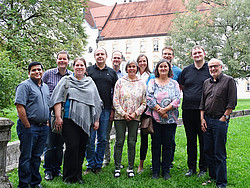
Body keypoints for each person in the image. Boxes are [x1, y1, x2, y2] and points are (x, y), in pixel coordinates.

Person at [50, 58, 103, 184]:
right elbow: (57, 99)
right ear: (73, 67)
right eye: (77, 65)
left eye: (82, 65)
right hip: (69, 119)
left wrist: (96, 120)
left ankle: (78, 176)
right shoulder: (66, 80)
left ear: (85, 68)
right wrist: (58, 117)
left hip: (86, 120)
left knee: (80, 148)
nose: (79, 67)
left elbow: (97, 102)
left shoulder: (90, 82)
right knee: (72, 147)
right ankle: (68, 177)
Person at [200, 58, 237, 188]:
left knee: (219, 152)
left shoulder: (229, 81)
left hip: (220, 121)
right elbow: (202, 103)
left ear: (221, 67)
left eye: (215, 66)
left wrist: (224, 118)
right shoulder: (206, 82)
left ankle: (221, 182)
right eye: (210, 67)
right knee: (207, 150)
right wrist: (202, 119)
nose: (213, 69)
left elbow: (232, 102)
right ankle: (213, 177)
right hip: (207, 120)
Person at [15, 62, 50, 188]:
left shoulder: (45, 87)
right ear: (29, 72)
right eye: (34, 70)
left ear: (42, 71)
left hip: (43, 127)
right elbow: (20, 106)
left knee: (36, 156)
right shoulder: (24, 86)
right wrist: (27, 125)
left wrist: (46, 121)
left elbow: (46, 105)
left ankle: (35, 182)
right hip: (29, 127)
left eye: (39, 70)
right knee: (26, 157)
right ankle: (24, 184)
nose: (37, 72)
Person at [85, 47, 118, 174]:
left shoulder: (111, 72)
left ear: (106, 56)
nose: (100, 56)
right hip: (90, 109)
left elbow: (115, 92)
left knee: (103, 138)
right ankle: (90, 163)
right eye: (97, 54)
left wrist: (113, 110)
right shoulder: (88, 71)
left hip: (106, 109)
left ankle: (98, 164)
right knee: (90, 138)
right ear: (94, 57)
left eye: (102, 54)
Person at [146, 59, 180, 180]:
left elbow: (177, 99)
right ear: (157, 69)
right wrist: (160, 110)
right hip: (155, 119)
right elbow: (149, 98)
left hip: (171, 120)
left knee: (167, 145)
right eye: (161, 67)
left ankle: (166, 171)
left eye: (165, 66)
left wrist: (165, 110)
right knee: (156, 144)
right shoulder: (152, 82)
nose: (163, 69)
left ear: (169, 69)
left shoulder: (174, 83)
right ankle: (155, 171)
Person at [178, 45, 210, 177]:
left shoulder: (210, 69)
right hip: (188, 110)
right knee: (191, 140)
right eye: (194, 53)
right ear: (192, 56)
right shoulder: (186, 71)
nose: (197, 55)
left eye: (199, 52)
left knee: (203, 140)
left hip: (204, 111)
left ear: (204, 53)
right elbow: (181, 86)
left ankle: (203, 168)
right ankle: (191, 168)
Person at [113, 59, 146, 178]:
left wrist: (135, 113)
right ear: (126, 68)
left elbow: (144, 102)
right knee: (119, 141)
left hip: (134, 117)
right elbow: (115, 100)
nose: (131, 68)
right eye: (129, 67)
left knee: (132, 142)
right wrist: (123, 113)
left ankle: (130, 168)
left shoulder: (141, 83)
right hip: (120, 116)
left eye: (134, 66)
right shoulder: (120, 82)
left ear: (137, 68)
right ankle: (117, 167)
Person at [42, 51, 72, 181]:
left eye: (64, 59)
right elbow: (41, 90)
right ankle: (48, 170)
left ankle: (57, 169)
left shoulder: (71, 76)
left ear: (68, 61)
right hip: (50, 113)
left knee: (60, 144)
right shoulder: (48, 74)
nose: (62, 61)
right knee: (49, 144)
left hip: (65, 114)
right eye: (60, 59)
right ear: (56, 60)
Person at [103, 50, 125, 167]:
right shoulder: (108, 72)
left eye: (118, 58)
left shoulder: (125, 75)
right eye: (114, 58)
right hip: (108, 108)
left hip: (120, 111)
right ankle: (106, 159)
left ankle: (118, 160)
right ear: (111, 59)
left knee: (119, 137)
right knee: (105, 135)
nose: (116, 60)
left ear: (121, 60)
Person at [162, 46, 182, 168]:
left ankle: (169, 161)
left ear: (173, 56)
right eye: (165, 54)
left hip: (172, 111)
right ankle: (158, 161)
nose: (167, 56)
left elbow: (181, 90)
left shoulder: (178, 71)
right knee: (158, 138)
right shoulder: (157, 70)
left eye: (169, 54)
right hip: (157, 111)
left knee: (170, 138)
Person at [136, 54, 153, 173]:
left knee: (149, 136)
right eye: (140, 61)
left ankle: (154, 162)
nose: (142, 63)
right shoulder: (133, 75)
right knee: (140, 139)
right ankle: (140, 164)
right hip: (135, 110)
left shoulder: (151, 76)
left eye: (144, 61)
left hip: (148, 111)